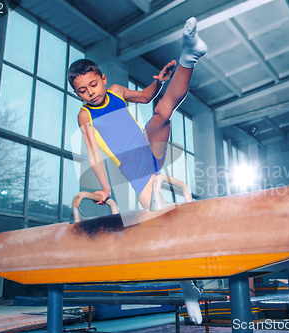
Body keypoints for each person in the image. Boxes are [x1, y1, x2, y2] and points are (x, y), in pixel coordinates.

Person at [67, 17, 207, 324]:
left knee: (162, 114)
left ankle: (190, 55)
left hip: (147, 147)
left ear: (103, 79)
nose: (89, 92)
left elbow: (145, 96)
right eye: (82, 91)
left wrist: (159, 79)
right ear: (77, 95)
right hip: (134, 169)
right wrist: (104, 188)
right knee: (164, 225)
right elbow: (93, 155)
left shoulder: (117, 91)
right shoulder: (85, 117)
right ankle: (188, 287)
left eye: (93, 84)